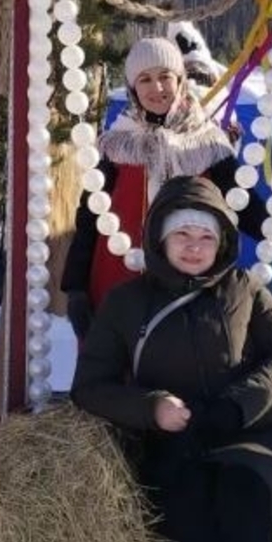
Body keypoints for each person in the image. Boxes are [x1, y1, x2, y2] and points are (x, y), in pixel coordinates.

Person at [73, 174, 272, 542]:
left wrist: (238, 406)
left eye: (206, 236)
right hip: (176, 437)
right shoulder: (126, 302)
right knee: (184, 500)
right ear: (160, 238)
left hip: (259, 433)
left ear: (223, 239)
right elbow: (90, 386)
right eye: (183, 235)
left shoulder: (247, 289)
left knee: (240, 494)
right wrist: (150, 408)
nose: (195, 247)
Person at [62, 36, 256, 341]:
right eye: (146, 79)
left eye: (165, 77)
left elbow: (242, 204)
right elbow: (89, 216)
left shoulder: (208, 144)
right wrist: (74, 287)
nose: (157, 88)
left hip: (190, 281)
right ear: (132, 87)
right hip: (117, 277)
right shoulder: (118, 143)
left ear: (180, 81)